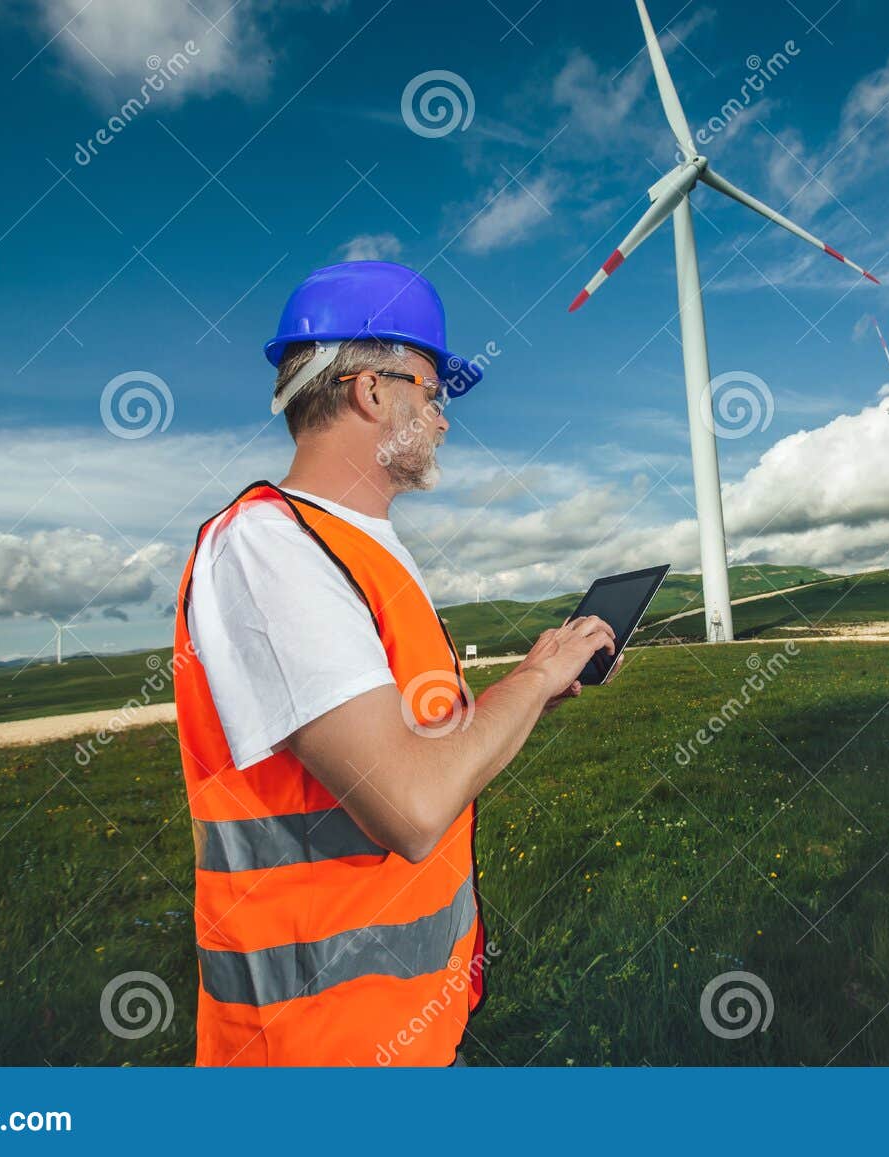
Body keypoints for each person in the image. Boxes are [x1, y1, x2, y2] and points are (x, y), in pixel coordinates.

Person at [170, 261, 617, 1066]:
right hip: (315, 1053)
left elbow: (418, 749)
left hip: (398, 1031)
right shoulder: (271, 545)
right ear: (372, 391)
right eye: (433, 390)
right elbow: (409, 804)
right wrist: (534, 677)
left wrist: (533, 691)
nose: (443, 418)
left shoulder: (358, 549)